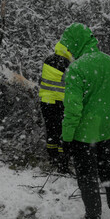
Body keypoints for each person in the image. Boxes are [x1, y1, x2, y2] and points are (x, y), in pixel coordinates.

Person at [59, 23, 110, 219]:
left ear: (76, 44)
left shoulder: (77, 69)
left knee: (87, 176)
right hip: (106, 132)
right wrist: (104, 119)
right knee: (108, 169)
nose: (69, 51)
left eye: (70, 46)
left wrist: (67, 138)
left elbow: (72, 109)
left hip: (83, 135)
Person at [38, 40, 73, 174]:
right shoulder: (65, 63)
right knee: (63, 133)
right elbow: (71, 81)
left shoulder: (49, 59)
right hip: (60, 102)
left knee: (51, 131)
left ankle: (52, 159)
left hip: (46, 101)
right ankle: (62, 164)